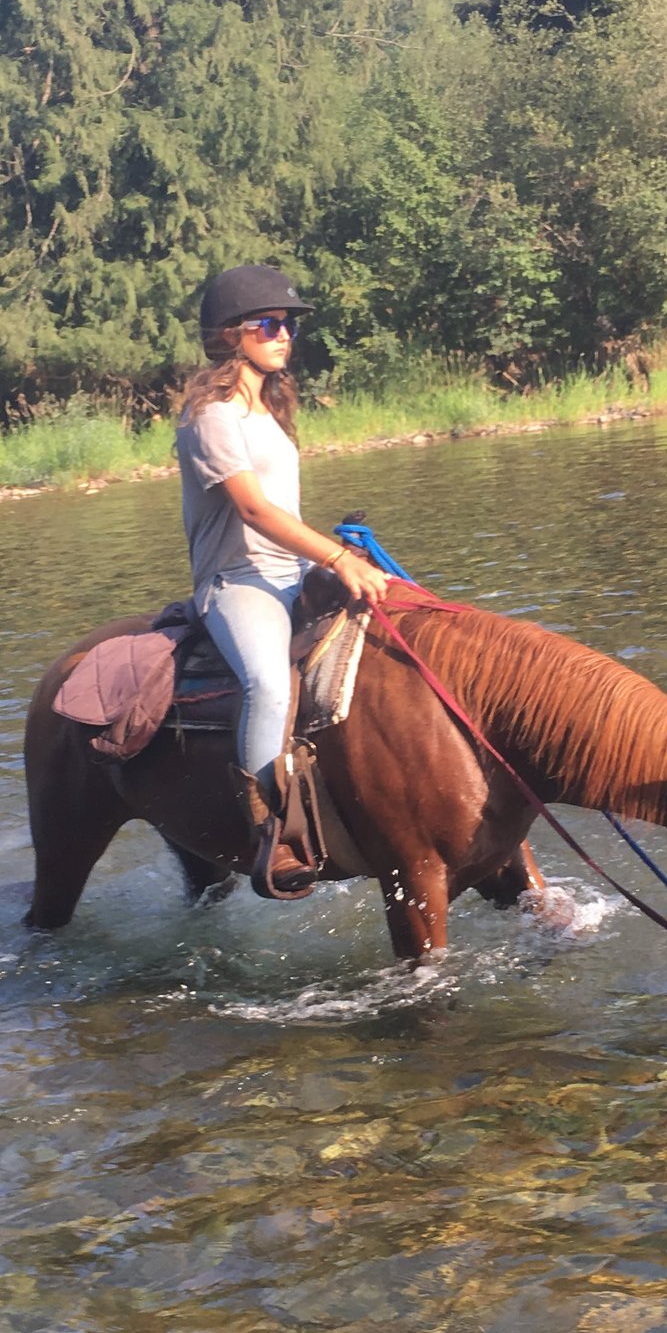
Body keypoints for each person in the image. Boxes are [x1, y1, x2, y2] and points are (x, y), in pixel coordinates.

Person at [175, 264, 391, 895]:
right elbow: (254, 511)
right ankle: (270, 833)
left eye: (288, 325)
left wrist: (336, 557)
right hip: (240, 582)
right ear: (230, 334)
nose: (283, 335)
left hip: (295, 572)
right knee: (269, 685)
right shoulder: (211, 416)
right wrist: (338, 560)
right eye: (267, 324)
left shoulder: (266, 410)